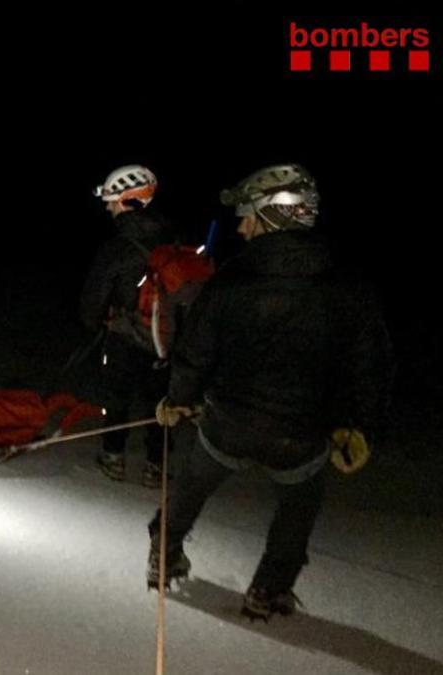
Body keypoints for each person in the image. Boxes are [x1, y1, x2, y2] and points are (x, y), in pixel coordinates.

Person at [148, 164, 393, 621]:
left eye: (248, 215)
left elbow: (196, 352)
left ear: (275, 216)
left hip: (228, 425)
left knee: (192, 485)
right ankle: (268, 588)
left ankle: (163, 552)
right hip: (300, 435)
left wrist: (178, 399)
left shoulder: (232, 280)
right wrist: (359, 426)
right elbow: (369, 365)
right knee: (298, 508)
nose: (241, 226)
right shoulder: (346, 286)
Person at [79, 165, 174, 487]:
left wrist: (93, 323)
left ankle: (114, 457)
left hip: (125, 337)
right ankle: (156, 466)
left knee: (116, 397)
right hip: (166, 341)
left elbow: (94, 298)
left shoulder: (118, 247)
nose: (108, 207)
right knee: (159, 404)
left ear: (129, 201)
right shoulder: (173, 239)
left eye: (112, 200)